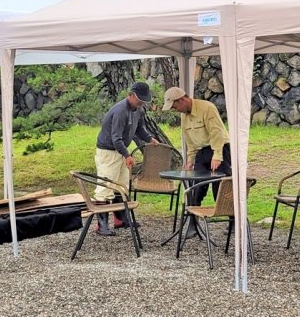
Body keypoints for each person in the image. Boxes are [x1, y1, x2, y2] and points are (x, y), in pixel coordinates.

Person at [94, 82, 158, 236]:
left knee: (122, 186)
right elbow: (116, 138)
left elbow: (139, 129)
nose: (141, 103)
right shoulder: (121, 111)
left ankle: (120, 219)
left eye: (143, 100)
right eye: (139, 99)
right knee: (105, 186)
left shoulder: (138, 110)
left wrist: (150, 139)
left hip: (121, 150)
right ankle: (101, 225)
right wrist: (127, 155)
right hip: (108, 151)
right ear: (130, 95)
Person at [163, 86, 231, 204]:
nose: (176, 110)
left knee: (221, 188)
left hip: (218, 149)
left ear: (181, 100)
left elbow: (217, 132)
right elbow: (190, 141)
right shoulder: (184, 115)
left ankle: (232, 220)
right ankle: (192, 220)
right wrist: (190, 160)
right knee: (196, 188)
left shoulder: (207, 108)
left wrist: (217, 155)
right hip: (201, 152)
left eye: (175, 106)